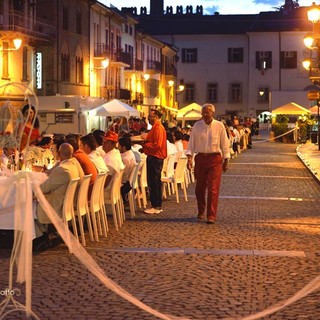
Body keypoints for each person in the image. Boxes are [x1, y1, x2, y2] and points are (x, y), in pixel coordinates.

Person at [186, 103, 230, 224]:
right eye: (204, 112)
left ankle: (211, 215)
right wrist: (189, 157)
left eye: (208, 112)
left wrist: (226, 160)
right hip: (200, 158)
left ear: (213, 113)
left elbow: (225, 144)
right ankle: (201, 210)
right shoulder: (197, 126)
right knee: (199, 188)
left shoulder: (219, 126)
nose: (205, 114)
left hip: (215, 159)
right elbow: (191, 143)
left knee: (213, 189)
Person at [140, 109, 167, 214]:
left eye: (150, 116)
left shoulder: (158, 128)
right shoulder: (156, 128)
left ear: (156, 117)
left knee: (154, 181)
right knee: (154, 181)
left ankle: (156, 205)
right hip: (154, 156)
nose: (148, 118)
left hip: (155, 157)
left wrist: (145, 145)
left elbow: (156, 145)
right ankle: (156, 204)